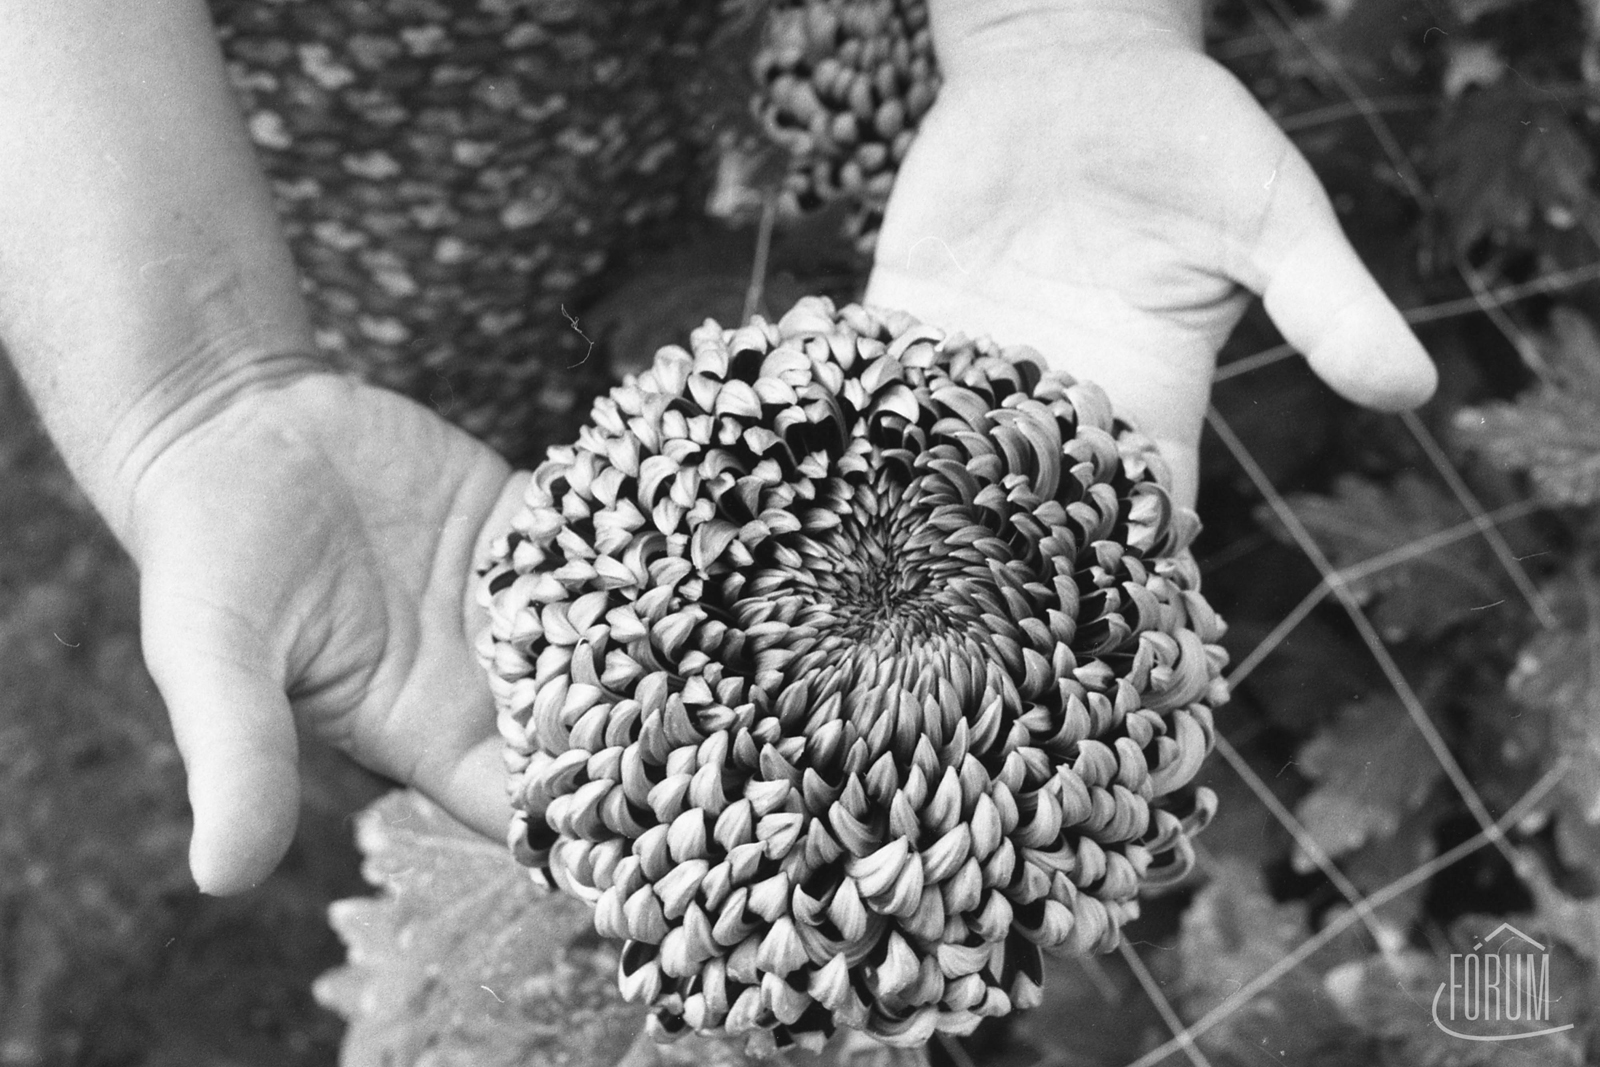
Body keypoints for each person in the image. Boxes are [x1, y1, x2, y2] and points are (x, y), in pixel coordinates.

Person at [0, 0, 1436, 895]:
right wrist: (194, 376)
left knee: (787, 181)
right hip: (332, 128)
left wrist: (1059, 35)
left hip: (786, 53)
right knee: (439, 395)